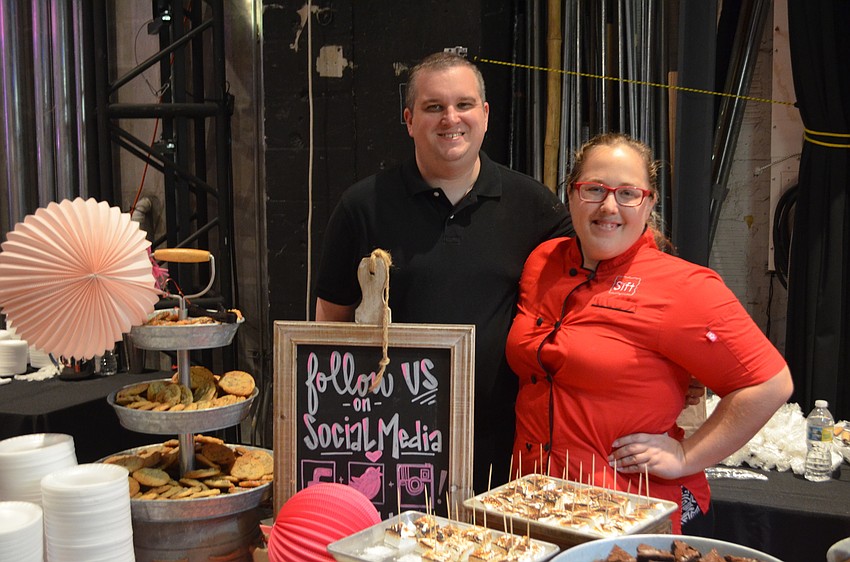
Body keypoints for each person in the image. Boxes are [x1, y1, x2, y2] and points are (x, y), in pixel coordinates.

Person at [505, 132, 793, 534]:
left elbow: (770, 384)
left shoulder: (682, 287)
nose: (609, 206)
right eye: (594, 189)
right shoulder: (542, 262)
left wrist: (686, 456)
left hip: (626, 509)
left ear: (649, 202)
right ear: (571, 194)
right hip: (531, 498)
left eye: (627, 193)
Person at [314, 52, 573, 493]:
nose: (450, 118)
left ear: (485, 115)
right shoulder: (362, 207)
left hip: (502, 448)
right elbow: (329, 327)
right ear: (409, 120)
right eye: (434, 107)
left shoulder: (534, 207)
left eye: (464, 104)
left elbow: (594, 287)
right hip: (390, 445)